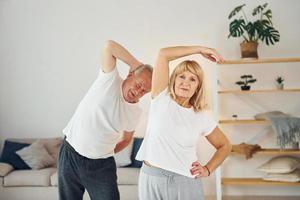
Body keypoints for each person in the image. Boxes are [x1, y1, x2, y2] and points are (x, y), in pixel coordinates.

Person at [58, 40, 153, 200]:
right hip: (70, 154)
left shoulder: (135, 112)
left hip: (101, 165)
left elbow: (127, 139)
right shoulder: (109, 80)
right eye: (138, 85)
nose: (138, 92)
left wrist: (106, 151)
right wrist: (136, 64)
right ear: (130, 74)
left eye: (144, 91)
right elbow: (109, 46)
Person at [136, 45, 232, 200]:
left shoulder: (201, 115)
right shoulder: (161, 97)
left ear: (197, 87)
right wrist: (200, 50)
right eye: (182, 76)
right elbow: (163, 54)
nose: (186, 82)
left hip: (185, 182)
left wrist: (208, 169)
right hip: (151, 178)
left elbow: (225, 146)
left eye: (192, 79)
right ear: (174, 80)